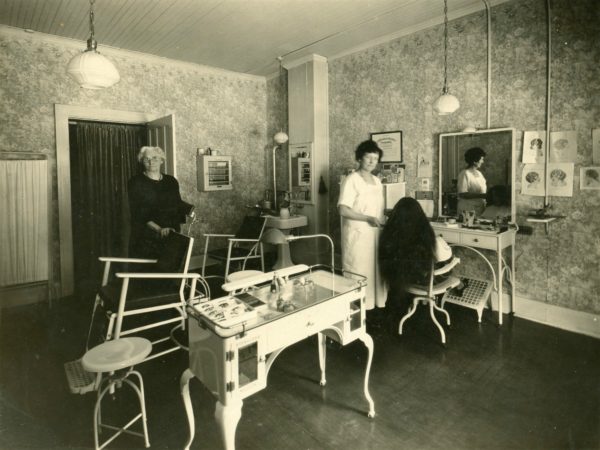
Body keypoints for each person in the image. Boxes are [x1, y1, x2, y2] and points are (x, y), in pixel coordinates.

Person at [379, 197, 455, 324]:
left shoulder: (391, 233)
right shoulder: (425, 231)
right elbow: (441, 255)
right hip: (429, 280)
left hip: (410, 279)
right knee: (448, 257)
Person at [338, 140, 387, 314]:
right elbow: (343, 210)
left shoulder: (377, 181)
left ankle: (372, 306)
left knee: (375, 270)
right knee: (358, 270)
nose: (372, 161)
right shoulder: (352, 180)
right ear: (359, 158)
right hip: (358, 234)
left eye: (376, 158)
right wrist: (368, 218)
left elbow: (377, 207)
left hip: (374, 233)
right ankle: (357, 310)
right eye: (368, 157)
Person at [128, 146, 194, 259]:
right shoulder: (135, 182)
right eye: (146, 159)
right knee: (151, 271)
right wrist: (159, 229)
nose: (150, 162)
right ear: (141, 161)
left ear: (161, 160)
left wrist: (191, 210)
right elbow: (138, 213)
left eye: (154, 158)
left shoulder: (171, 181)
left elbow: (176, 202)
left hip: (171, 232)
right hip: (147, 236)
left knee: (171, 267)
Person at [456, 147, 487, 217]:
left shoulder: (479, 174)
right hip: (467, 208)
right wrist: (482, 196)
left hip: (479, 208)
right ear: (475, 161)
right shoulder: (464, 173)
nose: (483, 162)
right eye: (481, 159)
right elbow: (462, 194)